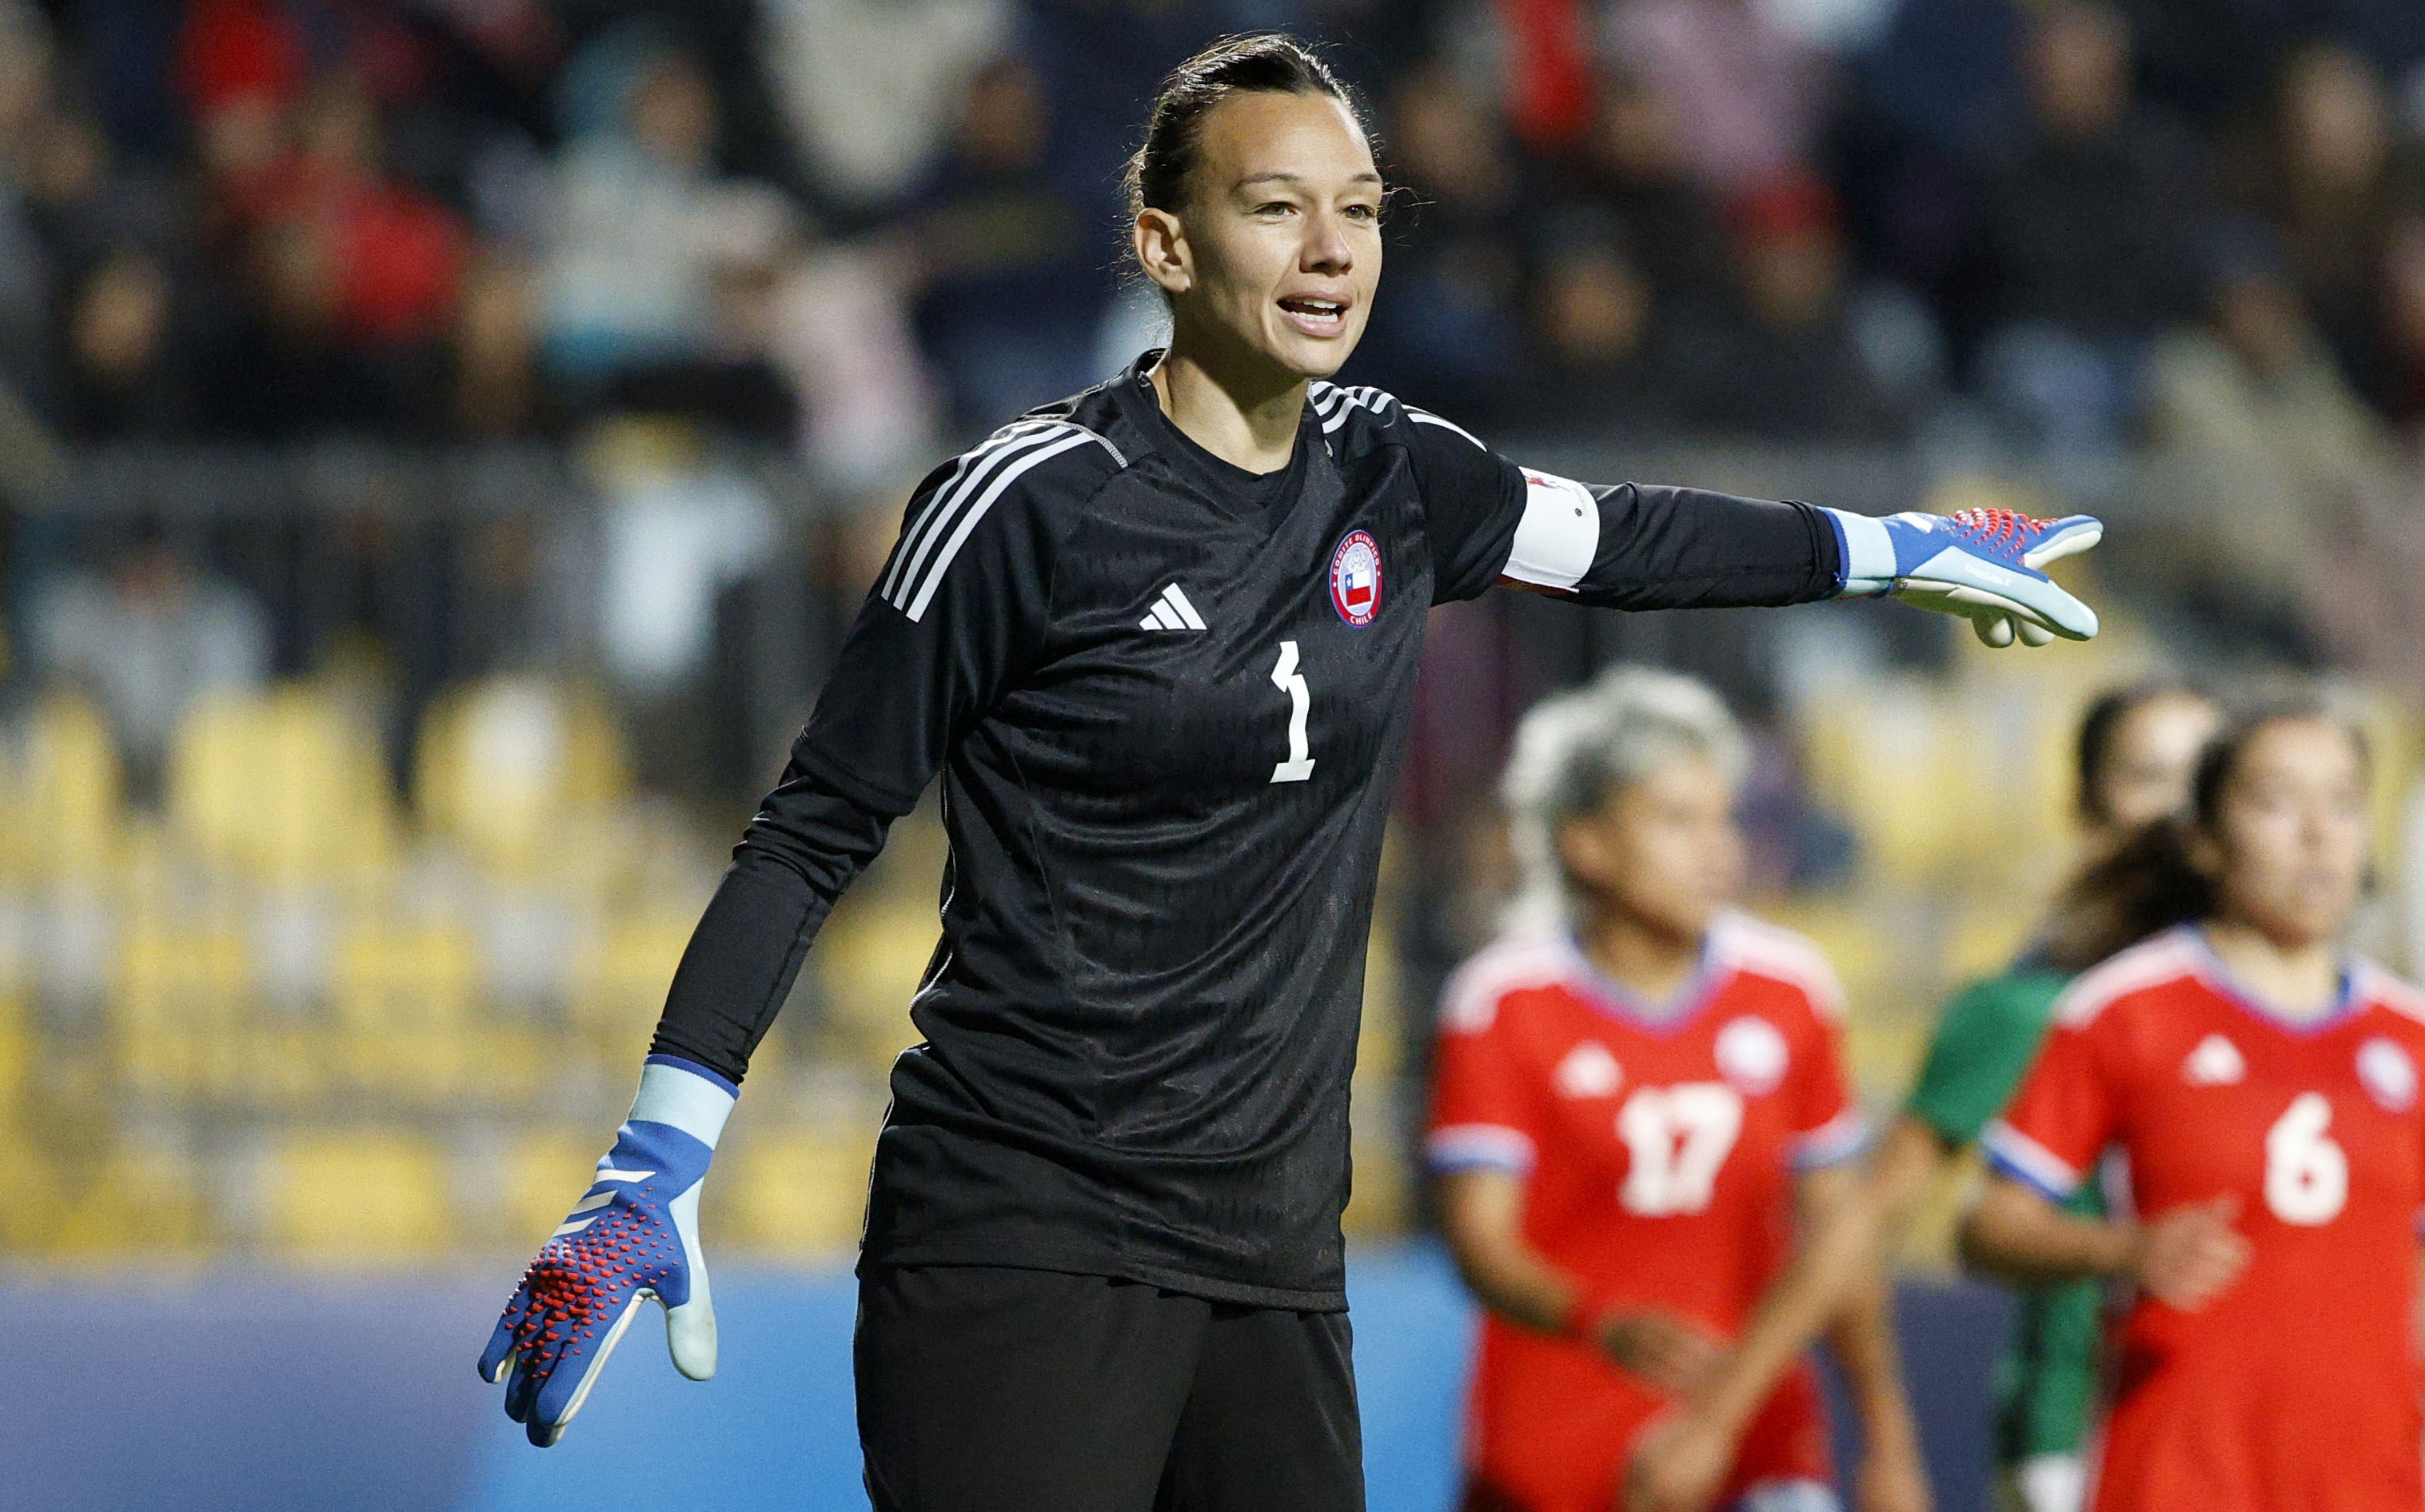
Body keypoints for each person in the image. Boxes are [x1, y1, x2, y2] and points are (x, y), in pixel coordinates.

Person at [475, 34, 2106, 1512]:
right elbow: (808, 832)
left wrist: (1896, 550)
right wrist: (652, 1162)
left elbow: (1626, 537)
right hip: (1021, 1238)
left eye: (1359, 209)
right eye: (1275, 208)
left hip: (1271, 1253)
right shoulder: (1026, 501)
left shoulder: (1397, 470)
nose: (1331, 250)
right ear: (1165, 245)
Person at [1613, 682, 2220, 1512]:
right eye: (2143, 777)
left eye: (2202, 778)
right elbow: (1862, 1217)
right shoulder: (2033, 1007)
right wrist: (1718, 1418)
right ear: (2085, 803)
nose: (2173, 814)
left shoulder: (2332, 1008)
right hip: (2095, 1439)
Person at [1959, 704, 2425, 1510]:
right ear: (2204, 838)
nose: (2317, 832)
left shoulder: (2422, 1039)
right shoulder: (2123, 1012)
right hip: (2176, 1475)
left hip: (2368, 1481)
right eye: (2276, 801)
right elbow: (1987, 1224)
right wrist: (2119, 1250)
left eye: (2342, 803)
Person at [1428, 669, 1929, 1512]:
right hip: (1556, 1445)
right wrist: (1596, 1320)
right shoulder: (1503, 1002)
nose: (1716, 847)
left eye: (1722, 818)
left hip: (1758, 1441)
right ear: (1585, 843)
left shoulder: (1789, 988)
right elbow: (1481, 1241)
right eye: (1675, 820)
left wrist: (1885, 1435)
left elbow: (1837, 1239)